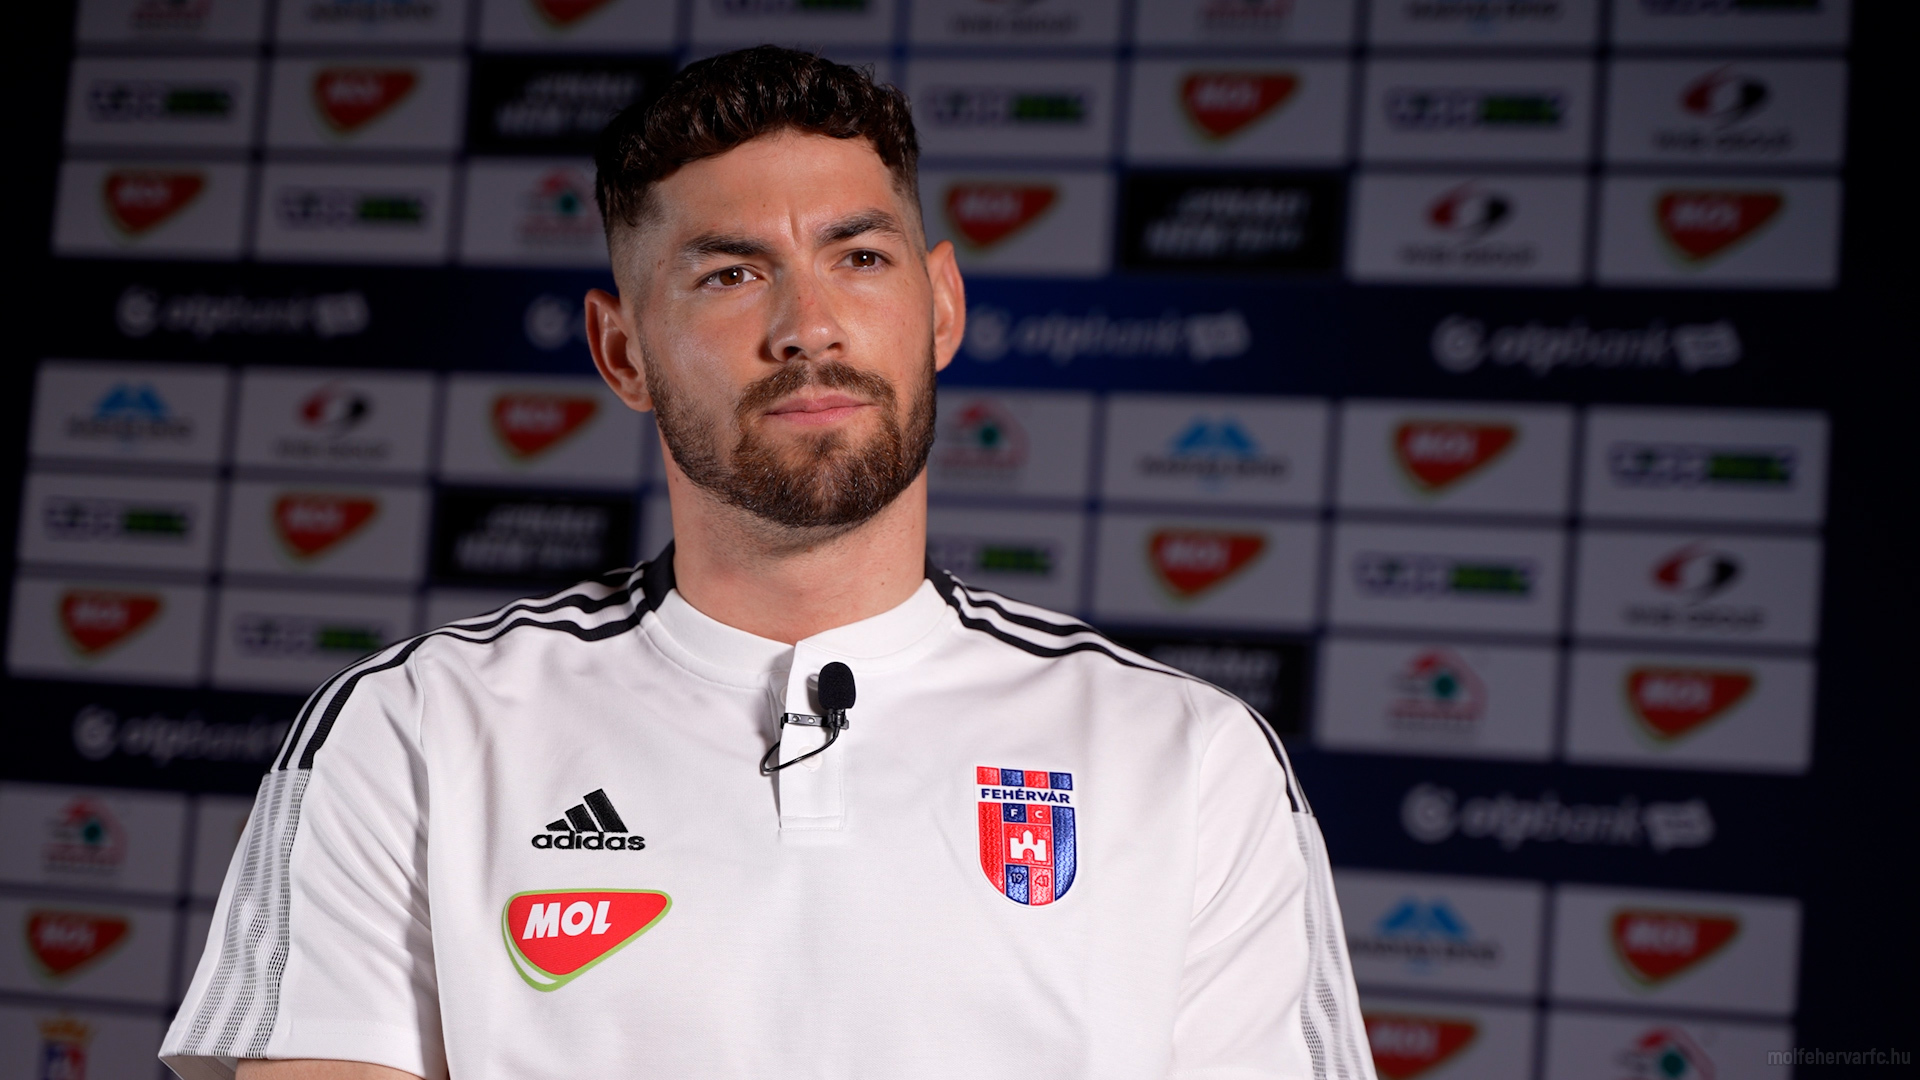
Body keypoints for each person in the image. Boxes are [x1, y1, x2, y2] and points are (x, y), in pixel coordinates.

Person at [161, 46, 1373, 1080]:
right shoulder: (416, 727)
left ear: (942, 308)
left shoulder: (1188, 757)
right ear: (622, 352)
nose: (808, 326)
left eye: (860, 257)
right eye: (732, 273)